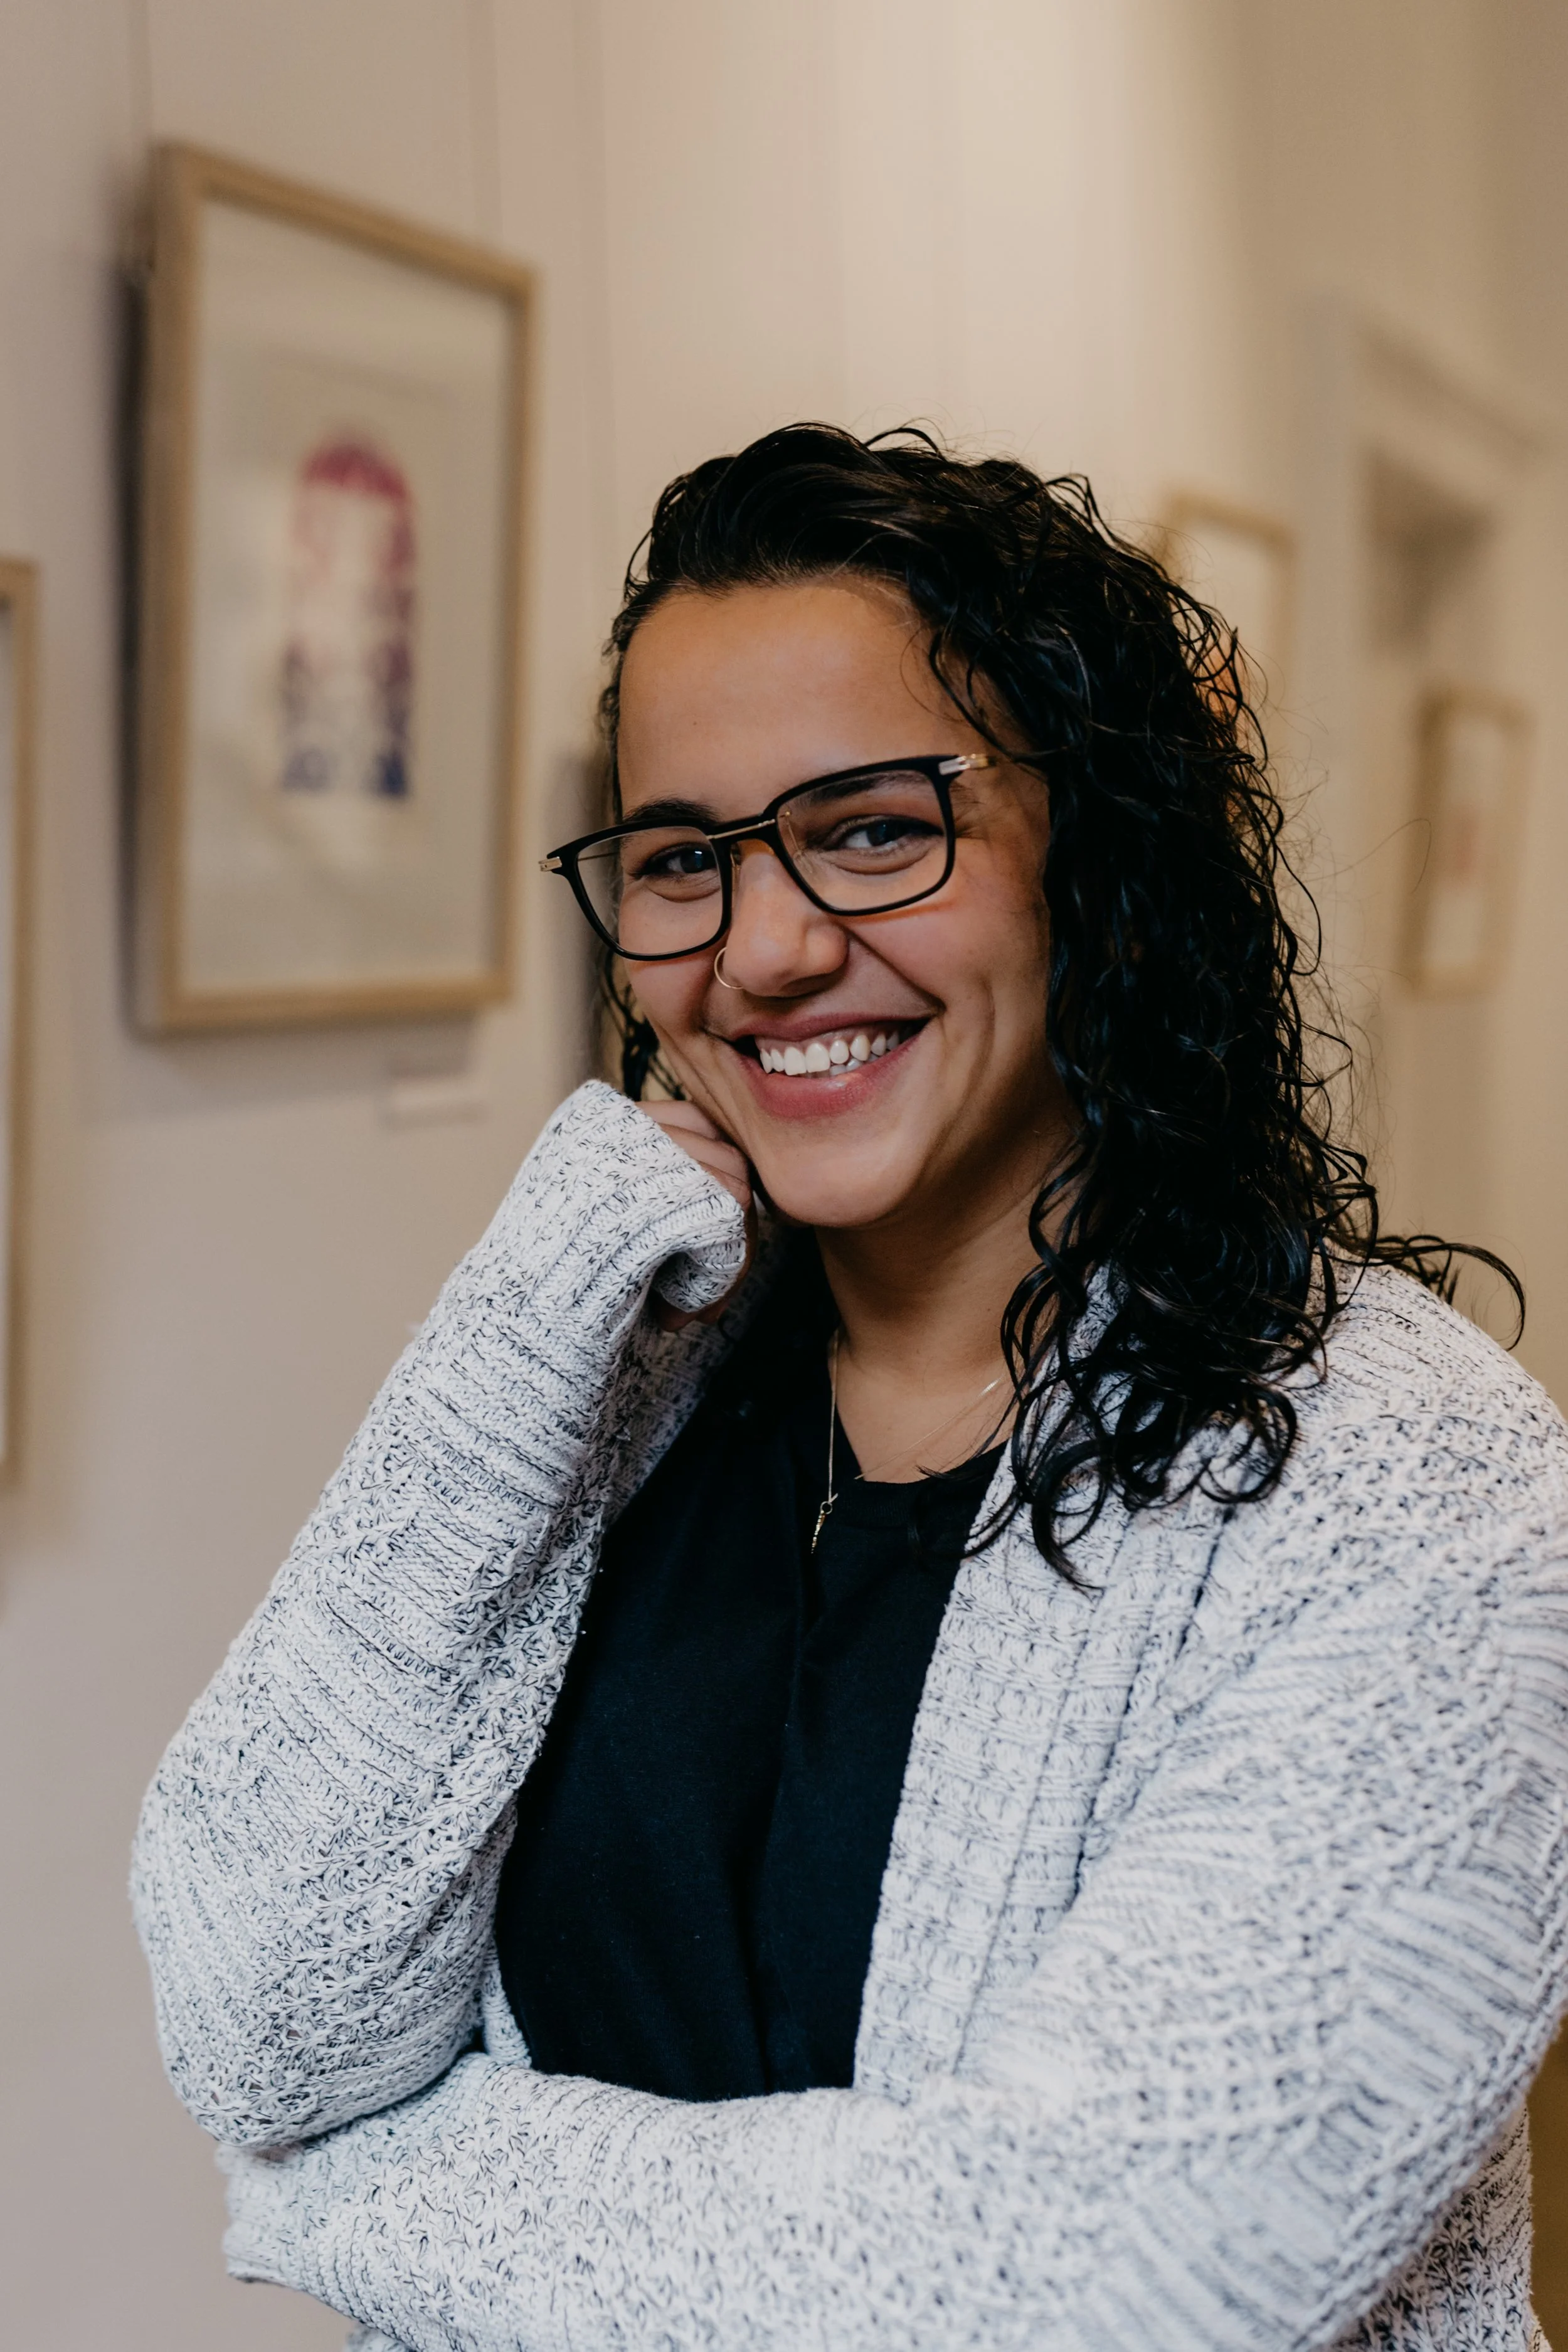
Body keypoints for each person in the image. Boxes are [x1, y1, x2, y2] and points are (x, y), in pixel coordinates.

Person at [134, 426, 1568, 2351]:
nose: (773, 946)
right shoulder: (624, 1390)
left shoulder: (1426, 1493)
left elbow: (1082, 2293)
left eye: (876, 827)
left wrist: (378, 2188)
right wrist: (542, 1284)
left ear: (1097, 853)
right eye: (678, 860)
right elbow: (261, 2017)